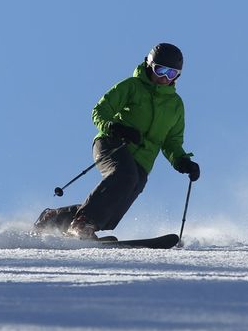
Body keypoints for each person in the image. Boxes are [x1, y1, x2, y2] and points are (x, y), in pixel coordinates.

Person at [34, 43, 200, 240]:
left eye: (171, 74)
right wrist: (116, 128)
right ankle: (81, 223)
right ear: (149, 66)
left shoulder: (175, 105)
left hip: (142, 162)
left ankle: (55, 218)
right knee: (124, 176)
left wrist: (182, 161)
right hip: (112, 145)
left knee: (117, 203)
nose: (165, 78)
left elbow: (172, 141)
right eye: (160, 70)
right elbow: (99, 112)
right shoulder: (132, 86)